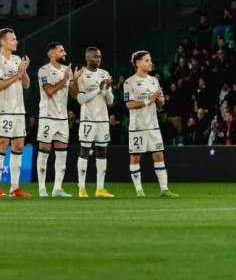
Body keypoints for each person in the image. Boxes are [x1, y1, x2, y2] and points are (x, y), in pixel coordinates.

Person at [123, 51, 178, 197]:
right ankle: (139, 190)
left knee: (159, 155)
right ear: (138, 63)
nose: (150, 63)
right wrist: (150, 99)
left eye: (150, 60)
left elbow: (161, 103)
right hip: (137, 126)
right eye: (147, 60)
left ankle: (164, 189)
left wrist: (160, 101)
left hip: (153, 125)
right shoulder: (129, 82)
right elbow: (129, 104)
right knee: (135, 157)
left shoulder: (154, 80)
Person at [0, 28, 31, 198]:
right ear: (3, 42)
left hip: (19, 110)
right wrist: (18, 74)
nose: (16, 41)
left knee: (19, 145)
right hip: (4, 110)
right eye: (12, 39)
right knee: (3, 144)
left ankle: (15, 188)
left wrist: (24, 70)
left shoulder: (16, 60)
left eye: (15, 38)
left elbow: (26, 85)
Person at [70, 47, 115, 198]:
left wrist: (107, 89)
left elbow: (110, 101)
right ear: (87, 57)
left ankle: (100, 189)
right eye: (95, 57)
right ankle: (81, 188)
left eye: (99, 57)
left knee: (102, 152)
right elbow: (80, 99)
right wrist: (98, 89)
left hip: (103, 119)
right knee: (84, 151)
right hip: (88, 119)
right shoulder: (82, 74)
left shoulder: (105, 74)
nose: (98, 59)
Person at [35, 42, 73, 198]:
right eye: (60, 50)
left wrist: (74, 80)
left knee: (62, 153)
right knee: (44, 151)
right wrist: (65, 80)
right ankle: (42, 188)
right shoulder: (44, 70)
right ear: (51, 54)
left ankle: (57, 188)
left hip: (62, 118)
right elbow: (49, 91)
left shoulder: (67, 70)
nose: (64, 52)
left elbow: (74, 94)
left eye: (64, 50)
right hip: (47, 117)